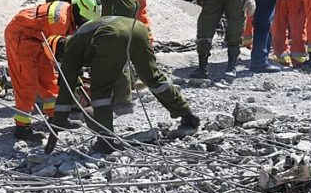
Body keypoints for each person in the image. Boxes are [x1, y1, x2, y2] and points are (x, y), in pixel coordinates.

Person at [49, 16, 200, 154]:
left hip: (112, 35)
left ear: (59, 53)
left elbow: (66, 91)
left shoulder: (70, 49)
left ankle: (106, 142)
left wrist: (56, 126)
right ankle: (188, 115)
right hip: (137, 28)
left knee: (100, 92)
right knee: (153, 78)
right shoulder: (83, 35)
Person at [5, 0, 102, 142]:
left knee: (48, 78)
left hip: (40, 39)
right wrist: (73, 77)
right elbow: (61, 57)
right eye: (84, 19)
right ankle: (22, 127)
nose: (84, 23)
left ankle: (55, 118)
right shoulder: (60, 21)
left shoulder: (71, 16)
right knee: (26, 81)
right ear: (77, 10)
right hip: (20, 36)